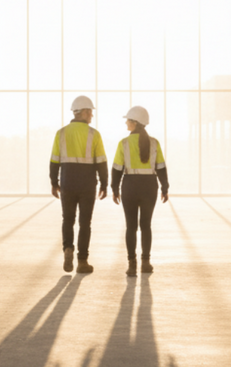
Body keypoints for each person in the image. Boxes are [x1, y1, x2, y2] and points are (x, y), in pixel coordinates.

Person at [50, 95, 108, 274]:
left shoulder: (61, 133)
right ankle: (82, 261)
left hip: (67, 181)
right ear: (83, 112)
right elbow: (101, 162)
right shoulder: (94, 134)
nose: (92, 116)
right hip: (87, 183)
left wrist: (54, 182)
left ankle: (68, 248)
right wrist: (105, 185)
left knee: (67, 219)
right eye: (90, 112)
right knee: (85, 222)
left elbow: (54, 161)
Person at [111, 106, 169, 277]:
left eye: (128, 120)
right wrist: (165, 187)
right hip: (149, 186)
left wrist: (114, 189)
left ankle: (131, 264)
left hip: (129, 186)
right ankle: (146, 262)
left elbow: (116, 169)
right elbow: (161, 168)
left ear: (135, 123)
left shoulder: (124, 143)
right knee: (146, 226)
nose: (126, 123)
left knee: (131, 226)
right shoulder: (154, 143)